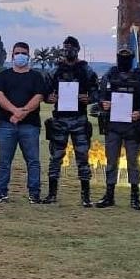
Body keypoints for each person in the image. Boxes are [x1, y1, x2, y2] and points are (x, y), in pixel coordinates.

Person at [44, 36, 100, 206]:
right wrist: (49, 98)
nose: (68, 51)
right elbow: (45, 91)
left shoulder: (86, 70)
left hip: (79, 120)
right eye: (65, 48)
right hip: (59, 119)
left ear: (77, 50)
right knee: (56, 157)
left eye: (71, 48)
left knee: (82, 158)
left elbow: (96, 91)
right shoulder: (55, 70)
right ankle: (52, 194)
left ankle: (86, 197)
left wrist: (89, 99)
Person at [95, 48, 140, 211]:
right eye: (121, 57)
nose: (124, 60)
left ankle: (135, 197)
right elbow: (100, 96)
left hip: (132, 126)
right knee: (112, 161)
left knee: (133, 162)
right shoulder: (109, 75)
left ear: (132, 58)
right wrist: (103, 104)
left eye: (127, 57)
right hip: (113, 126)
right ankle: (109, 195)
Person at [0, 42, 46, 203]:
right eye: (17, 53)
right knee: (4, 161)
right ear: (12, 55)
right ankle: (1, 192)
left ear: (28, 56)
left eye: (23, 53)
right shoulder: (4, 75)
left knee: (33, 161)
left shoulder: (36, 77)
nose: (20, 56)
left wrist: (22, 113)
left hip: (30, 126)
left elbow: (38, 97)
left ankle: (34, 193)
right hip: (6, 125)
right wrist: (15, 111)